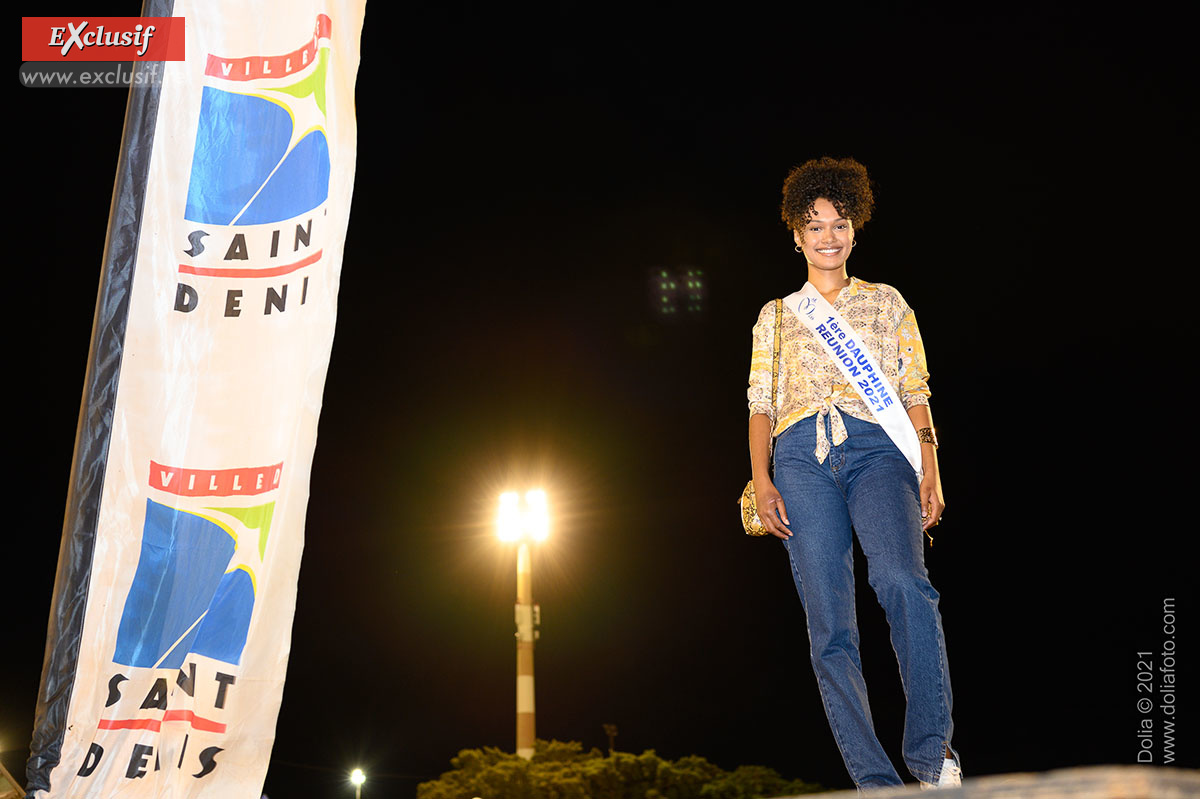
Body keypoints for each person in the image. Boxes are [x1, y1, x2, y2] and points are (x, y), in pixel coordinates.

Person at [746, 156, 962, 791]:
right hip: (798, 458)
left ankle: (932, 757)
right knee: (830, 623)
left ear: (855, 229)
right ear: (795, 234)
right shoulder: (777, 316)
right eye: (815, 226)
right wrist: (761, 479)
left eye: (839, 224)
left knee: (903, 582)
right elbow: (760, 402)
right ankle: (874, 780)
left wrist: (931, 465)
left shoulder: (886, 302)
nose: (828, 237)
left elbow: (914, 388)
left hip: (877, 450)